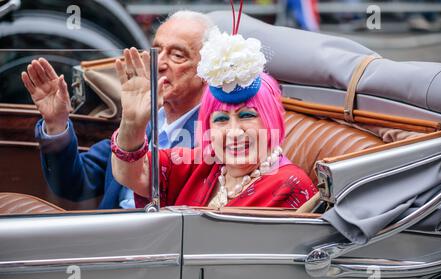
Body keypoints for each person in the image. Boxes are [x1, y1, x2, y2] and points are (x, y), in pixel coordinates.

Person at [21, 11, 214, 209]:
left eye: (177, 55)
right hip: (113, 233)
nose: (159, 63)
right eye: (156, 51)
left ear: (206, 70)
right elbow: (73, 185)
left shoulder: (215, 133)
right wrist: (56, 123)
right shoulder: (143, 120)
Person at [111, 27, 317, 209]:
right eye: (221, 119)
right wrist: (132, 124)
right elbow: (132, 174)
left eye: (247, 115)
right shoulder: (202, 163)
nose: (234, 132)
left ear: (271, 120)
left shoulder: (290, 185)